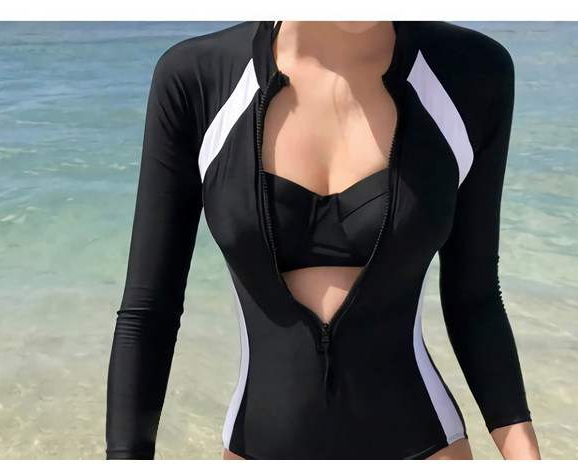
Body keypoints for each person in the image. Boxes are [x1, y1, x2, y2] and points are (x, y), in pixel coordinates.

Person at [106, 20, 541, 460]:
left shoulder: (469, 71)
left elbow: (475, 296)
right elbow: (149, 313)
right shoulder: (196, 78)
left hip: (427, 448)